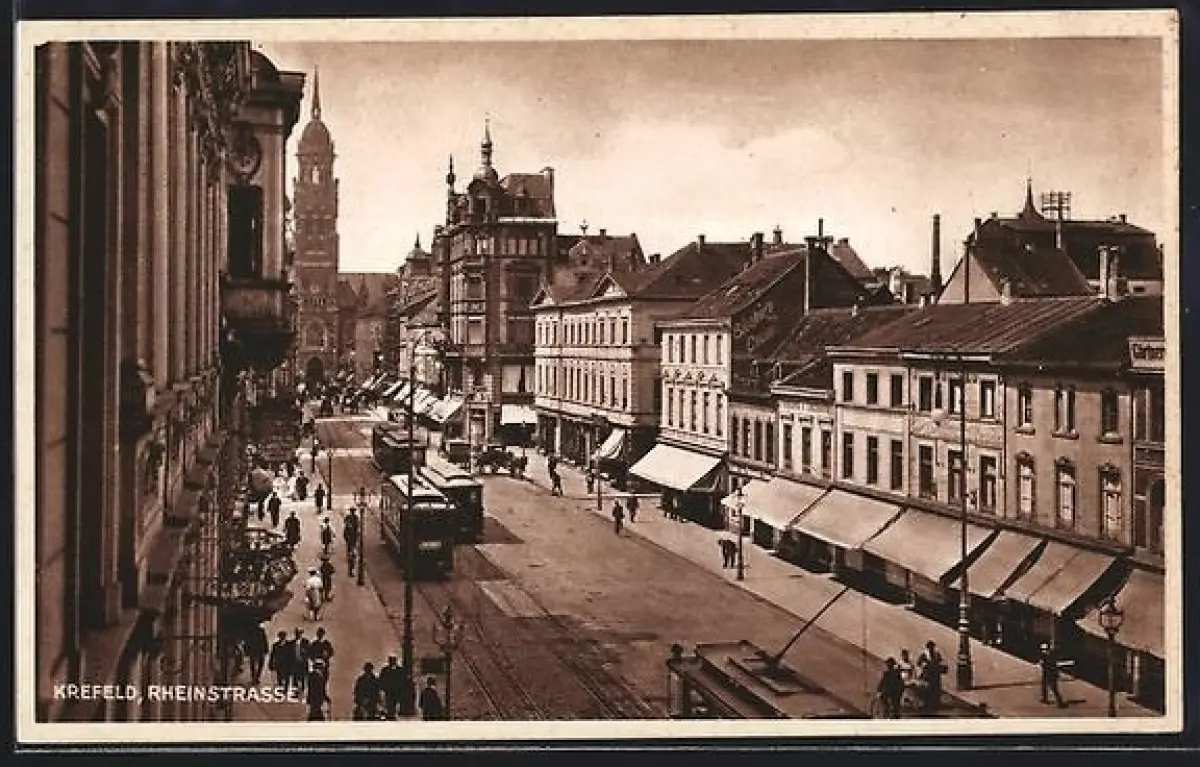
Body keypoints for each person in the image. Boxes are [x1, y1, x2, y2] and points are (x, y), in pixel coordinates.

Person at [918, 640, 946, 712]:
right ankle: (927, 703)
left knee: (936, 689)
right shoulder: (924, 655)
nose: (931, 649)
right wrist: (923, 666)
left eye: (932, 647)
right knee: (927, 689)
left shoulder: (937, 654)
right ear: (927, 648)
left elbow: (941, 662)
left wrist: (940, 666)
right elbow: (918, 663)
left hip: (935, 675)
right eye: (929, 647)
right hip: (927, 675)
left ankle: (935, 704)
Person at [1039, 642, 1069, 708]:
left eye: (1044, 649)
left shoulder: (1051, 655)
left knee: (1054, 688)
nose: (1043, 651)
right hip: (1047, 672)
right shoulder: (1045, 655)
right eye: (1042, 649)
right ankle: (1044, 698)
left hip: (1051, 673)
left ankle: (1060, 703)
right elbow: (1043, 663)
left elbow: (1053, 664)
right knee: (1044, 685)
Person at [291, 628, 310, 694]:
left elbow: (310, 651)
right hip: (295, 663)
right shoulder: (292, 642)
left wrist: (305, 653)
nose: (298, 635)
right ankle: (295, 692)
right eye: (297, 633)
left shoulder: (306, 642)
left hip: (303, 663)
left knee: (303, 677)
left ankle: (302, 690)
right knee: (295, 677)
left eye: (299, 633)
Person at [344, 508, 360, 574]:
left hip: (352, 535)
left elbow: (357, 525)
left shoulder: (353, 517)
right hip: (352, 536)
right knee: (351, 546)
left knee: (350, 546)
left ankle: (350, 555)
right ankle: (351, 555)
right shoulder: (354, 517)